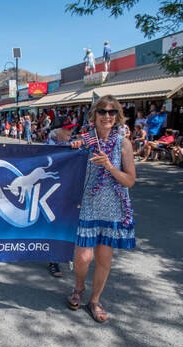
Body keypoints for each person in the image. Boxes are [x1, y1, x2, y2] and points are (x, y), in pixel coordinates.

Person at [67, 95, 136, 323]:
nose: (107, 116)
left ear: (117, 116)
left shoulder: (123, 143)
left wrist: (109, 166)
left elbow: (129, 181)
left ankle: (95, 300)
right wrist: (73, 146)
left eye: (112, 112)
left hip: (113, 208)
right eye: (103, 111)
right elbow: (60, 139)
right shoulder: (85, 140)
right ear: (94, 115)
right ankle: (78, 288)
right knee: (83, 258)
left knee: (105, 259)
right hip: (88, 205)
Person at [46, 119, 79, 277]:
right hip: (49, 193)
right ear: (56, 132)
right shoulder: (46, 148)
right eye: (67, 130)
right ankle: (53, 260)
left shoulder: (73, 146)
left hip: (66, 191)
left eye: (71, 130)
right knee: (53, 224)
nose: (70, 133)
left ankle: (59, 256)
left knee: (62, 223)